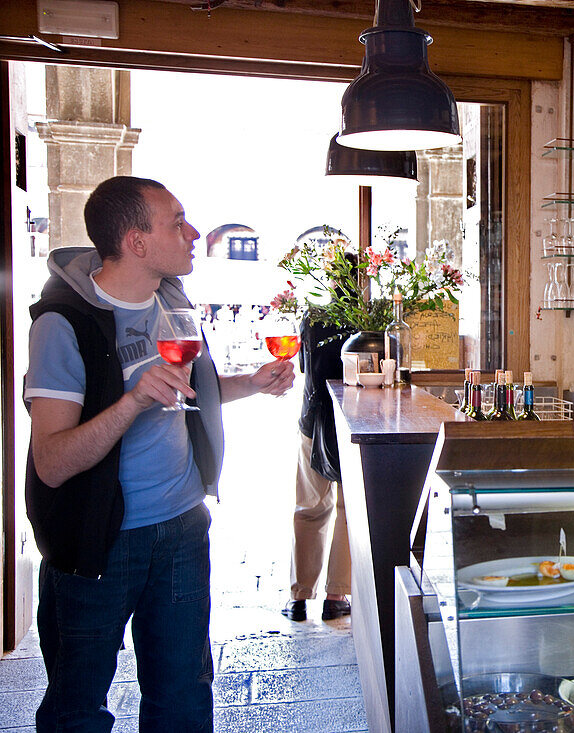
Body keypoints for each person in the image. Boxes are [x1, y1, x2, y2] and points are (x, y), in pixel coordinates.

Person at [24, 176, 295, 731]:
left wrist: (252, 382)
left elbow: (190, 388)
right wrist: (132, 402)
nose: (194, 233)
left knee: (184, 693)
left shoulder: (173, 300)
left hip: (182, 526)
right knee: (79, 704)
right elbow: (51, 464)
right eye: (177, 221)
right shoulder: (62, 324)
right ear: (136, 242)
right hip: (96, 539)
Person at [281, 311, 352, 622]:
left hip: (313, 420)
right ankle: (336, 596)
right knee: (348, 512)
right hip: (354, 422)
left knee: (309, 507)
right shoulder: (370, 321)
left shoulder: (311, 319)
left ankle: (299, 596)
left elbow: (305, 369)